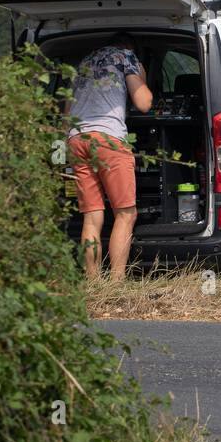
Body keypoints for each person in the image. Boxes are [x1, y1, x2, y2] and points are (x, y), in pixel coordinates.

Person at [66, 34, 152, 280]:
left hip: (77, 139)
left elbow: (66, 113)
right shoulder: (126, 57)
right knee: (126, 213)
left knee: (92, 216)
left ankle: (93, 281)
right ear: (130, 47)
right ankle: (116, 282)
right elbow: (144, 103)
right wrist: (141, 75)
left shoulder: (84, 62)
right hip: (108, 139)